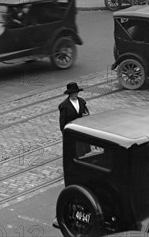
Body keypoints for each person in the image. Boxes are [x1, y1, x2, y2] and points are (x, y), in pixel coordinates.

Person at [53, 81, 90, 229]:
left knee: (84, 151)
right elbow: (62, 124)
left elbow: (87, 113)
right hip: (73, 133)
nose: (75, 95)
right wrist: (68, 134)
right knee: (74, 152)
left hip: (82, 131)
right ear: (69, 94)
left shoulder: (82, 102)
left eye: (76, 93)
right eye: (73, 93)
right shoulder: (64, 106)